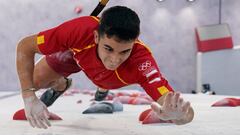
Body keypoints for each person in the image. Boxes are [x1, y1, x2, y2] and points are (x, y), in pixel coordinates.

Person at [16, 6, 194, 129]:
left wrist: (179, 117)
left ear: (135, 42)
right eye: (108, 48)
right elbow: (25, 46)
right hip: (75, 56)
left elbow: (182, 110)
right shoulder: (79, 30)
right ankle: (61, 85)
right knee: (34, 80)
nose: (114, 60)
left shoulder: (142, 62)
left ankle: (102, 87)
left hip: (112, 80)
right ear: (95, 37)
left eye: (124, 51)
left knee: (107, 78)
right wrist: (28, 96)